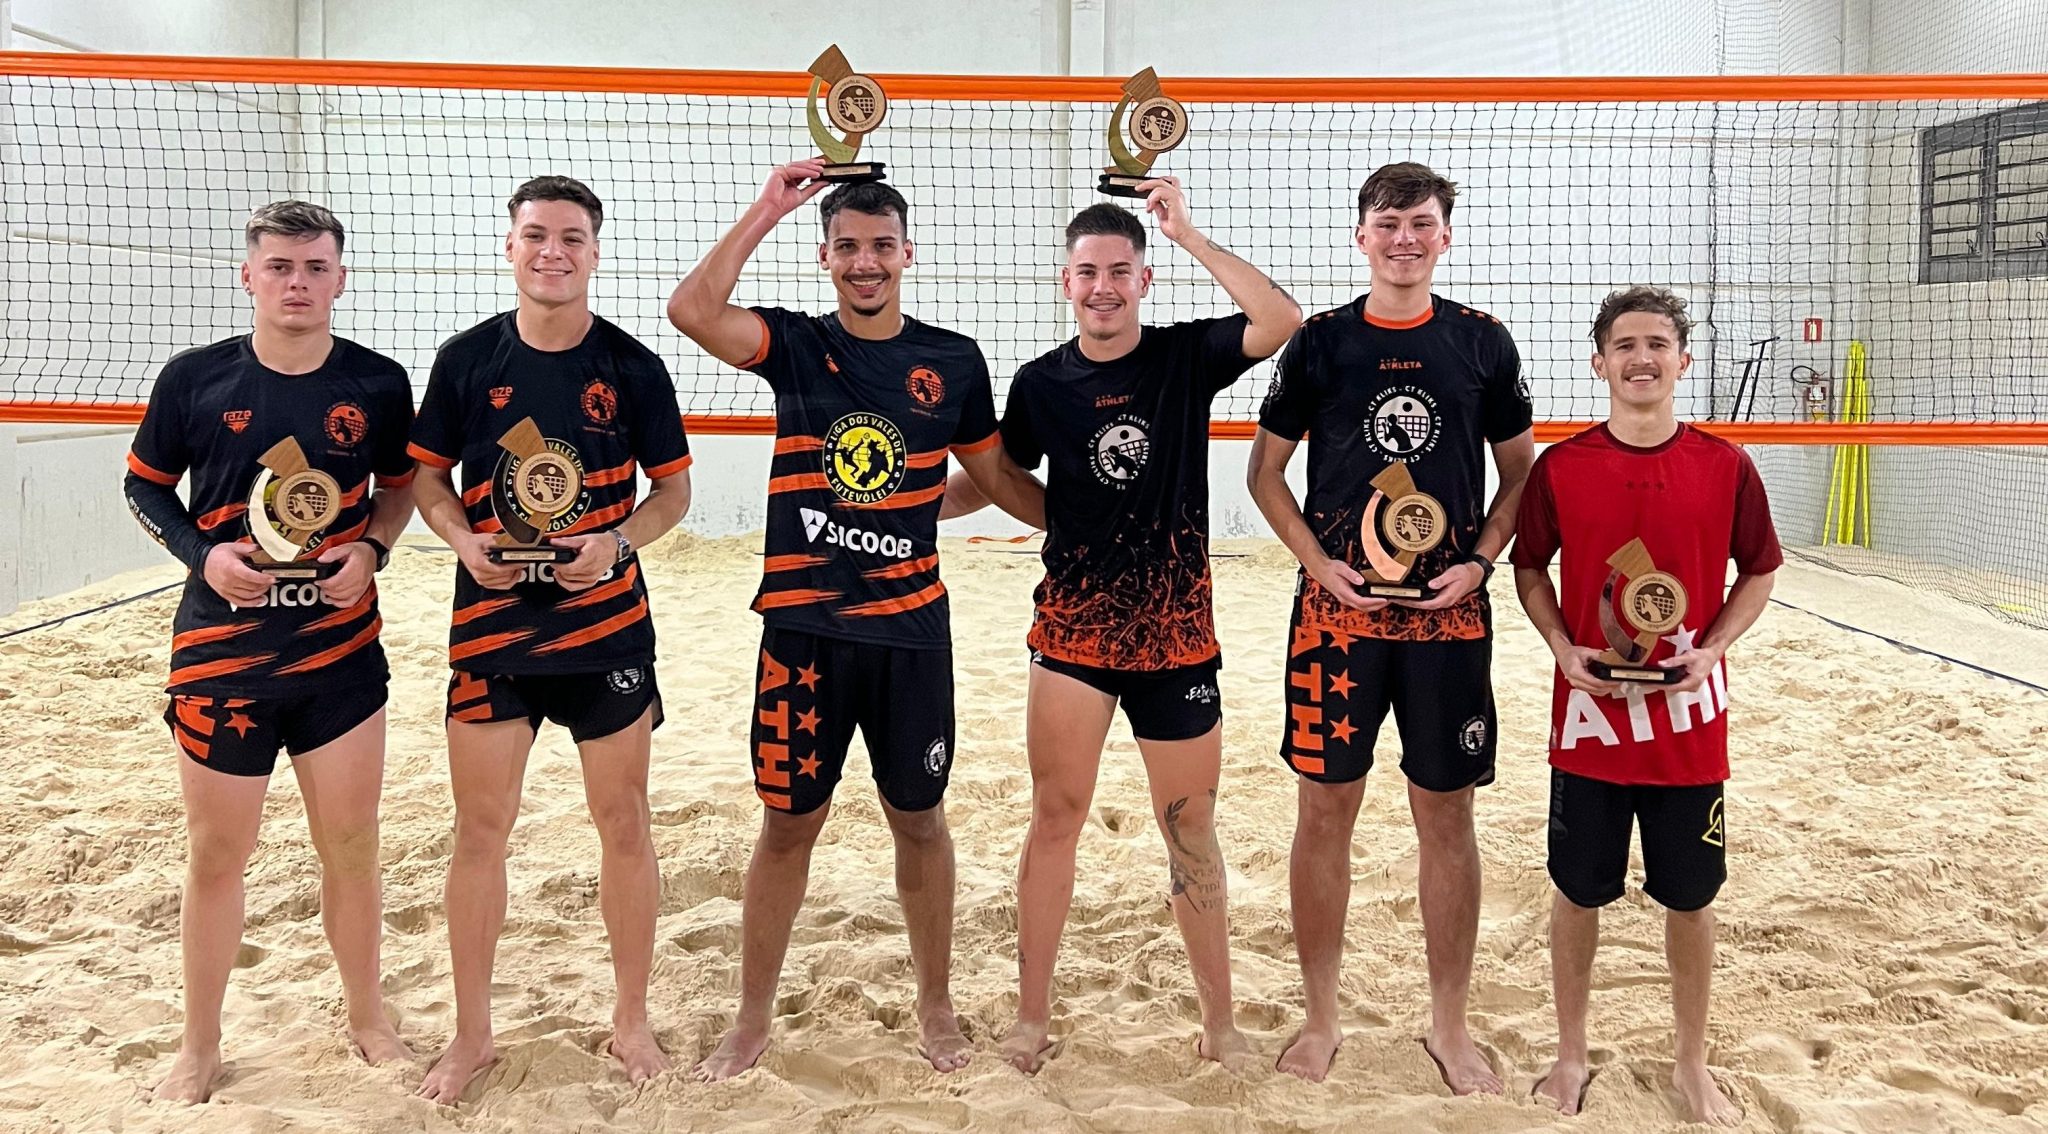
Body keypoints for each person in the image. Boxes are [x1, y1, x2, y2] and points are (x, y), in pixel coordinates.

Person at [668, 160, 1042, 1080]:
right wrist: (769, 206)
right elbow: (692, 310)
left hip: (910, 636)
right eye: (847, 247)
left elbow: (993, 476)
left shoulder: (952, 360)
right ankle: (752, 1017)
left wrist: (1081, 524)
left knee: (920, 820)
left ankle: (935, 1004)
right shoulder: (797, 345)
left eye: (880, 245)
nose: (865, 262)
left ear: (908, 253)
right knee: (787, 826)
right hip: (804, 632)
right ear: (825, 257)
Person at [943, 187, 1300, 1072]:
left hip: (1176, 636)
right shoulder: (1040, 383)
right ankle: (1031, 1019)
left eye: (1119, 271)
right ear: (1065, 282)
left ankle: (1219, 1024)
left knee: (1190, 828)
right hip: (1074, 634)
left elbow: (1280, 319)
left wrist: (1187, 233)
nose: (1102, 286)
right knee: (1055, 817)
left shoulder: (1184, 358)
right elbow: (999, 477)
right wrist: (910, 505)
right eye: (1087, 272)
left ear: (1144, 279)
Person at [1247, 162, 1535, 1088]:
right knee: (1324, 810)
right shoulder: (1321, 343)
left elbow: (1523, 477)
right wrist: (1316, 562)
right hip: (1337, 620)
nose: (1403, 239)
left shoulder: (1481, 342)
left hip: (1449, 621)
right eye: (1387, 223)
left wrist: (1479, 563)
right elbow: (1264, 475)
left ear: (1445, 236)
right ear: (1361, 236)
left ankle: (1449, 1025)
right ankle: (1321, 1018)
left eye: (1420, 223)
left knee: (1446, 815)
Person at [123, 200, 417, 1103]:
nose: (298, 282)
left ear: (340, 279)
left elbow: (401, 488)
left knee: (352, 846)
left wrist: (372, 551)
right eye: (281, 266)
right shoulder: (194, 379)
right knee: (218, 853)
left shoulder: (376, 383)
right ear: (248, 275)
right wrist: (202, 555)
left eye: (315, 267)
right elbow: (144, 488)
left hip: (338, 655)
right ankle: (200, 1046)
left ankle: (368, 1019)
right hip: (225, 656)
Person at [408, 176, 694, 1102]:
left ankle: (631, 1020)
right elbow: (427, 481)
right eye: (536, 235)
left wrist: (615, 544)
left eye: (571, 237)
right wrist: (462, 541)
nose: (552, 252)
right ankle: (471, 1036)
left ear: (595, 252)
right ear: (511, 247)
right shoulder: (466, 360)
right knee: (479, 831)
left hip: (605, 632)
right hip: (493, 632)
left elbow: (673, 494)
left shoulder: (632, 366)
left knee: (625, 824)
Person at [1512, 286, 1779, 1126]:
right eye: (1625, 345)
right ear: (1600, 363)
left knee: (1691, 899)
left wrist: (1713, 648)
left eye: (1657, 344)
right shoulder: (1563, 467)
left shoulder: (1725, 466)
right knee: (1577, 893)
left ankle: (1691, 1062)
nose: (1641, 359)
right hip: (1590, 720)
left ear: (1682, 361)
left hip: (1687, 727)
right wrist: (1562, 647)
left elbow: (1761, 570)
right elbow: (1529, 568)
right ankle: (1570, 1053)